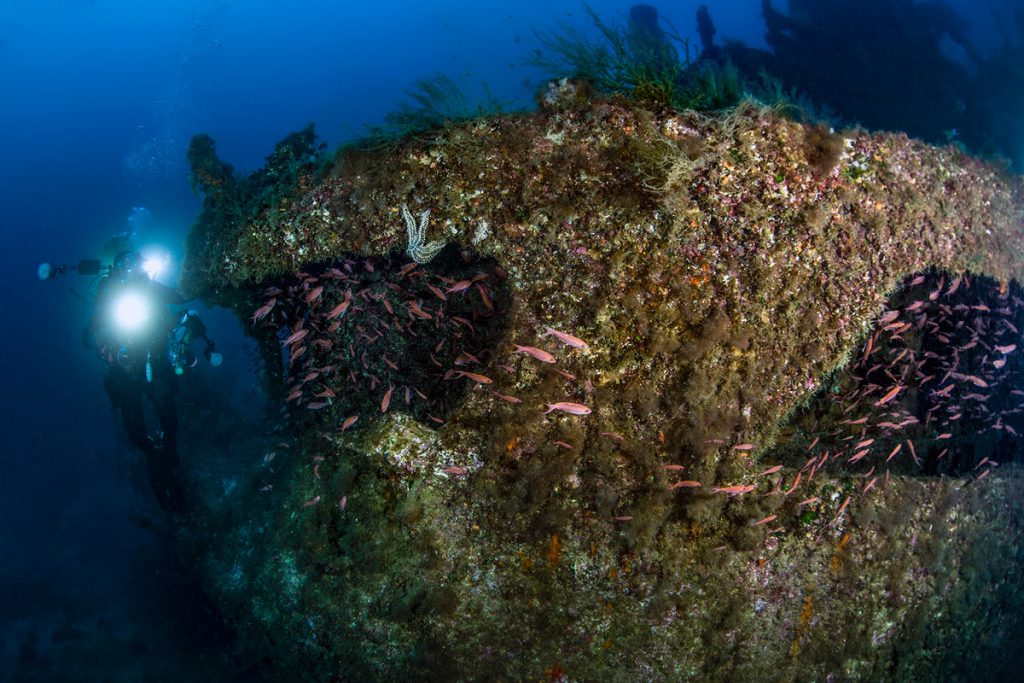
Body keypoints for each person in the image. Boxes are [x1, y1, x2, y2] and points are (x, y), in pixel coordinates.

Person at [83, 249, 190, 513]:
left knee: (166, 407)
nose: (128, 266)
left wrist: (196, 285)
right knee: (135, 429)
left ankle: (170, 445)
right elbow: (90, 332)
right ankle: (153, 457)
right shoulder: (108, 290)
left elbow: (179, 295)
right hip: (126, 370)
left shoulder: (149, 285)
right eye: (122, 262)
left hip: (154, 361)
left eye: (132, 261)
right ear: (116, 266)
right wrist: (100, 343)